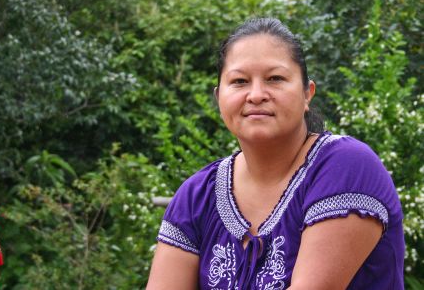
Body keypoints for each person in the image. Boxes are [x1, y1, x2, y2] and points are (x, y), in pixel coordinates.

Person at [146, 18, 404, 289]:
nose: (256, 95)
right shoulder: (197, 195)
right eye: (240, 81)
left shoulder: (346, 167)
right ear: (219, 97)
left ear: (307, 94)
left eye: (275, 79)